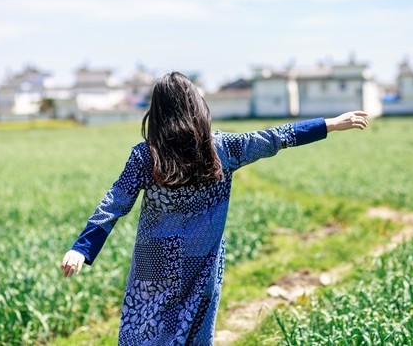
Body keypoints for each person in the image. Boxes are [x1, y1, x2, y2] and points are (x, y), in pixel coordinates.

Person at [60, 71, 368, 345]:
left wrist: (82, 248)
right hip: (202, 261)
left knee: (143, 329)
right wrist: (329, 124)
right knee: (194, 331)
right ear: (196, 107)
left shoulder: (145, 155)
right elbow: (276, 138)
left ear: (157, 112)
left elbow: (115, 201)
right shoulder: (222, 148)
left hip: (153, 262)